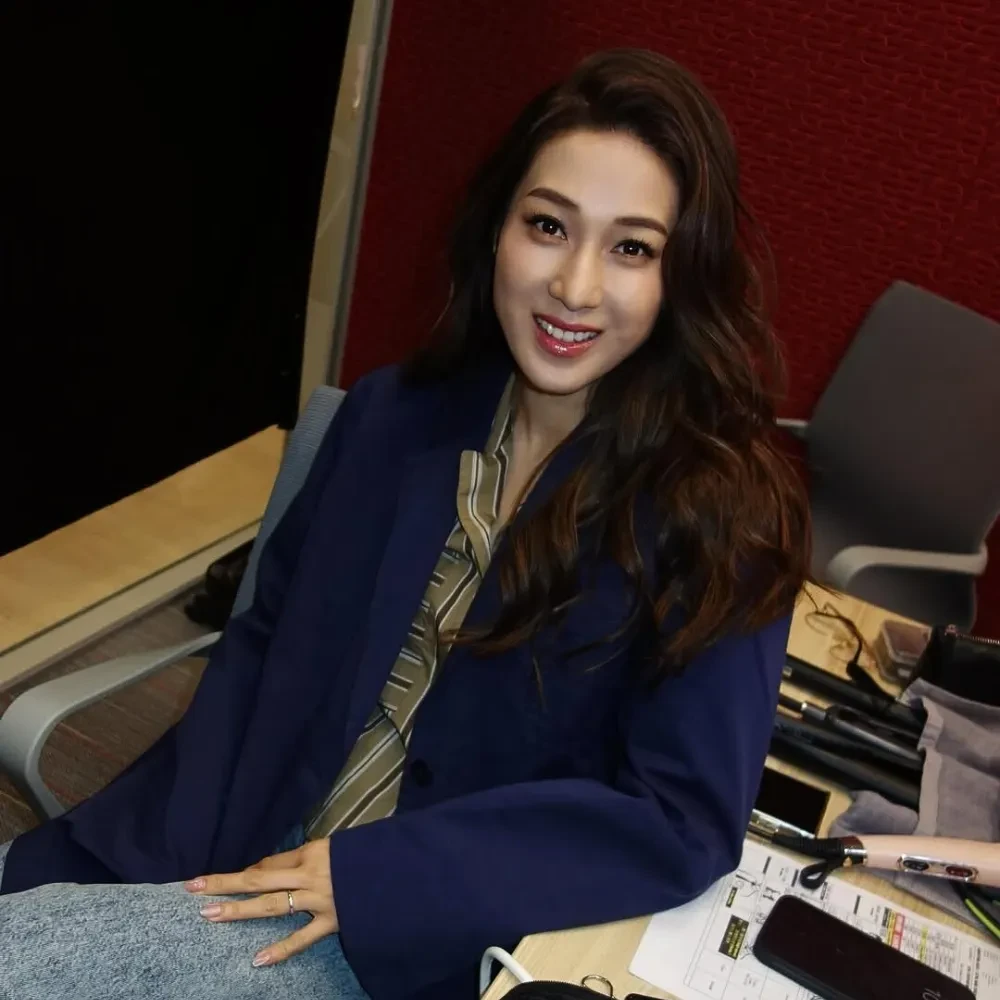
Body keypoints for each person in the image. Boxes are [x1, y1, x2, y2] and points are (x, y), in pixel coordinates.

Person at [0, 48, 809, 1000]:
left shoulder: (725, 516)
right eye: (548, 226)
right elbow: (263, 646)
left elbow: (681, 818)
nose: (576, 286)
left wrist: (380, 878)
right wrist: (170, 875)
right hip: (230, 851)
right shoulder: (393, 417)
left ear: (685, 272)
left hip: (406, 935)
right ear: (498, 229)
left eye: (632, 248)